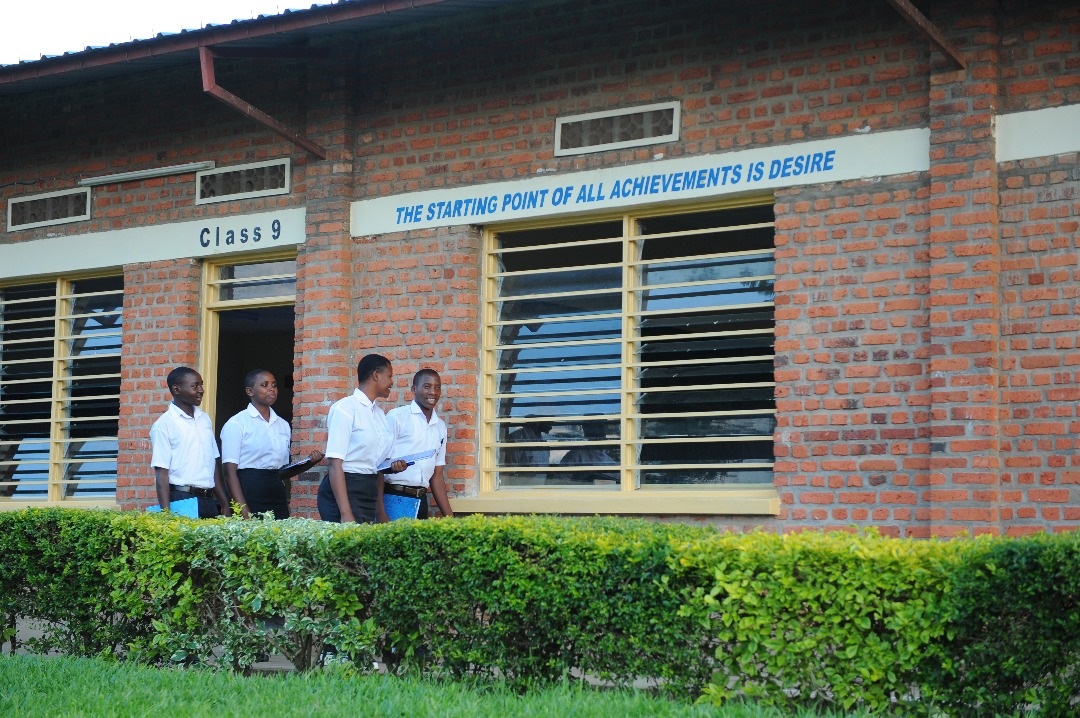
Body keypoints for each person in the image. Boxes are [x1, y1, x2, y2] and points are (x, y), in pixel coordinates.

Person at [220, 369, 324, 519]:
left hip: (276, 492)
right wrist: (243, 511)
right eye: (264, 385)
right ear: (250, 391)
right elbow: (229, 474)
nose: (271, 389)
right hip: (248, 491)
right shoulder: (237, 424)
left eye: (274, 385)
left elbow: (281, 472)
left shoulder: (282, 425)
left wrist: (309, 463)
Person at [318, 354, 407, 523]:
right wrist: (345, 513)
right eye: (389, 376)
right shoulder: (345, 409)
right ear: (376, 375)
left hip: (369, 492)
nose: (392, 382)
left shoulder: (379, 415)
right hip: (344, 493)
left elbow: (378, 467)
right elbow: (334, 463)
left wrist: (380, 511)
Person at [150, 366, 231, 518]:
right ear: (176, 389)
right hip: (182, 498)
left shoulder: (204, 419)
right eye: (195, 386)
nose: (201, 390)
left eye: (201, 385)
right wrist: (166, 516)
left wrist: (224, 502)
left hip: (208, 500)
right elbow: (162, 474)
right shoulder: (164, 424)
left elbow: (212, 463)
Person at [385, 368, 454, 519]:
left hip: (421, 500)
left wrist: (451, 519)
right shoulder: (397, 417)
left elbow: (437, 477)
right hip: (394, 497)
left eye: (437, 387)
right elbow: (378, 463)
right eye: (427, 387)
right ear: (414, 390)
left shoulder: (440, 426)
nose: (433, 392)